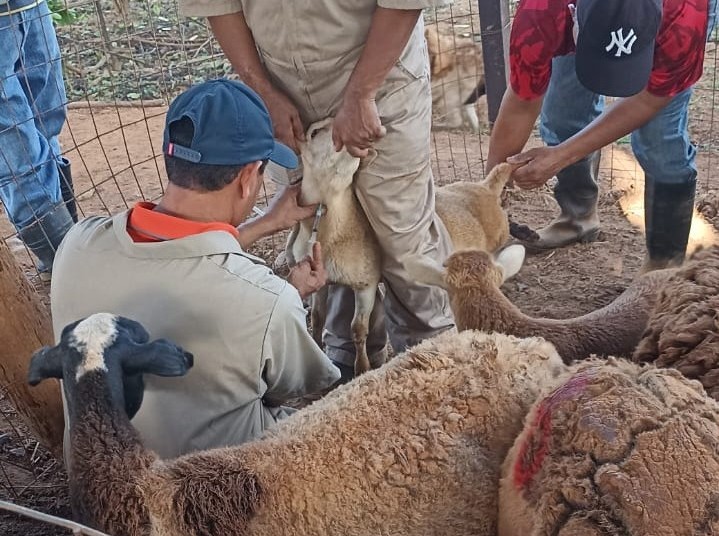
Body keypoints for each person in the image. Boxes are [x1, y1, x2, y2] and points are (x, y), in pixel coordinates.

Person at [51, 79, 341, 459]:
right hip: (212, 499)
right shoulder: (267, 301)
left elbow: (176, 258)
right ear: (247, 177)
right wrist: (290, 294)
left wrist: (265, 223)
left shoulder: (77, 244)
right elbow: (296, 384)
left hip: (100, 488)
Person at [180, 0, 456, 380]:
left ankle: (435, 359)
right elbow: (218, 4)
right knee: (315, 230)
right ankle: (346, 360)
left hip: (382, 77)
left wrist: (362, 93)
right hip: (282, 90)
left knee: (401, 234)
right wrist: (262, 91)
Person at [487, 0, 718, 271]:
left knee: (659, 140)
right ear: (573, 17)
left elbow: (651, 100)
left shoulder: (685, 13)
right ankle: (577, 218)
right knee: (564, 112)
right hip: (573, 18)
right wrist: (491, 191)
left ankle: (663, 263)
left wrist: (561, 156)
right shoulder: (542, 10)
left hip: (668, 23)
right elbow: (522, 102)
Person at [1, 0, 78, 279]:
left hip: (29, 4)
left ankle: (70, 245)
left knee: (46, 118)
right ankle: (67, 260)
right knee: (14, 142)